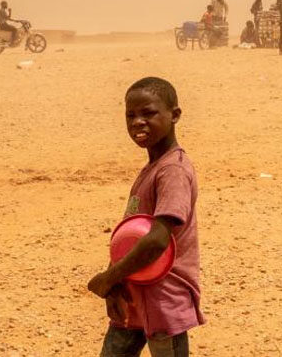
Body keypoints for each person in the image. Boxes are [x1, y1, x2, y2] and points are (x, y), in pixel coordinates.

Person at [87, 77, 203, 357]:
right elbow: (130, 235)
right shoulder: (154, 167)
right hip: (133, 294)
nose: (138, 122)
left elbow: (157, 240)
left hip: (164, 298)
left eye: (148, 113)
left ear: (174, 115)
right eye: (131, 115)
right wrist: (115, 284)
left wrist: (107, 278)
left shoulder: (172, 171)